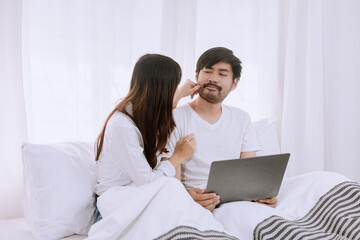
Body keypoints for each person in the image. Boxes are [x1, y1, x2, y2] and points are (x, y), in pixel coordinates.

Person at [164, 47, 277, 211]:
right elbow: (171, 181)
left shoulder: (242, 119)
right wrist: (187, 198)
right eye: (208, 71)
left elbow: (250, 174)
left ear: (234, 83)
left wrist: (263, 196)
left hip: (234, 203)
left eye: (222, 74)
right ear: (196, 77)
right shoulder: (175, 117)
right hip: (193, 203)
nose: (213, 79)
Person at [94, 53, 198, 198]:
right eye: (174, 86)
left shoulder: (140, 114)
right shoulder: (123, 126)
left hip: (135, 197)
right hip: (116, 203)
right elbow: (147, 182)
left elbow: (161, 108)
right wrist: (178, 156)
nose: (176, 90)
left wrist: (179, 94)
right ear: (162, 90)